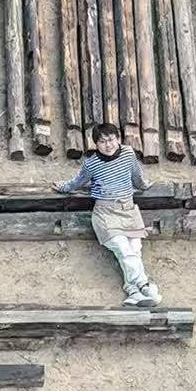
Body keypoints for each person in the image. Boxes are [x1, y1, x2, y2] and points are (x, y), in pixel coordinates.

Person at [57, 124, 163, 308]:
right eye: (102, 142)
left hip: (128, 209)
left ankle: (133, 292)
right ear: (96, 145)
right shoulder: (91, 164)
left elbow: (136, 176)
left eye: (111, 139)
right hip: (105, 213)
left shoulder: (128, 154)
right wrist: (64, 187)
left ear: (118, 138)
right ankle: (145, 285)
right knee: (123, 249)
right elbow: (78, 181)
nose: (108, 145)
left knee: (135, 249)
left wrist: (144, 186)